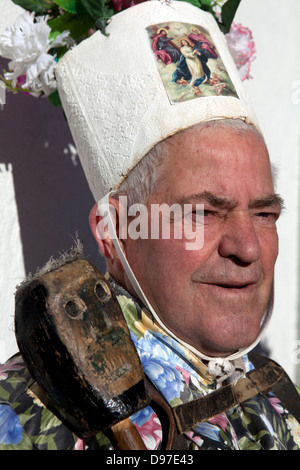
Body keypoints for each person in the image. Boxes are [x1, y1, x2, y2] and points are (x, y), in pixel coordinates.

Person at [1, 0, 300, 451]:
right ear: (114, 231)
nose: (248, 248)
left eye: (263, 213)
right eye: (203, 212)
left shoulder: (274, 395)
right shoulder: (24, 416)